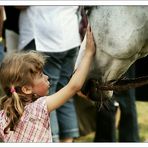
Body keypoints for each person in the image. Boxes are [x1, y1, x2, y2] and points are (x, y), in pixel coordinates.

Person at [0, 25, 96, 142]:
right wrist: (89, 53)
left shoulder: (3, 116)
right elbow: (73, 86)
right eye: (41, 75)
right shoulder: (39, 107)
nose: (47, 77)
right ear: (26, 89)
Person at [18, 6, 81, 142]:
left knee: (43, 100)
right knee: (66, 94)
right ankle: (67, 140)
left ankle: (51, 140)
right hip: (70, 35)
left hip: (43, 37)